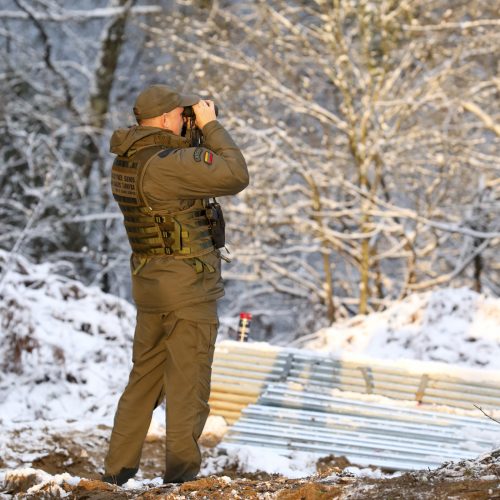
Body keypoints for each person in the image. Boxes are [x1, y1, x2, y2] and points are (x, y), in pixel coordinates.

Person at [102, 84, 249, 485]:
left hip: (151, 286)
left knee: (143, 381)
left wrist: (194, 136)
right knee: (188, 384)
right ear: (167, 118)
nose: (188, 121)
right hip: (188, 289)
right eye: (183, 116)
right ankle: (181, 479)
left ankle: (116, 473)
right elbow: (235, 174)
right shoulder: (168, 163)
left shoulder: (128, 161)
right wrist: (211, 125)